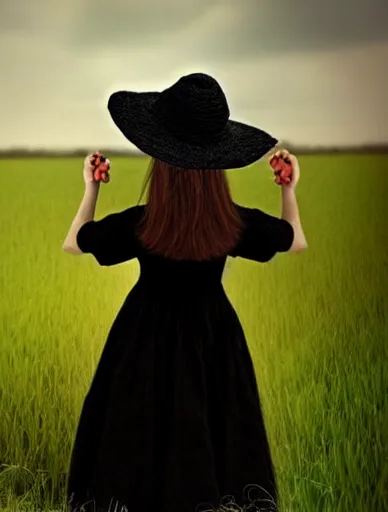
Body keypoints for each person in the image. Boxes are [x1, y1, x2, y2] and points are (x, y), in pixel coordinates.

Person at [61, 73, 307, 512]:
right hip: (214, 336)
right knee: (213, 427)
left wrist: (91, 187)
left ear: (160, 159)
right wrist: (288, 189)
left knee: (137, 425)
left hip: (143, 335)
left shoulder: (142, 221)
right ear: (219, 165)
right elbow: (294, 240)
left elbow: (75, 242)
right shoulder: (232, 222)